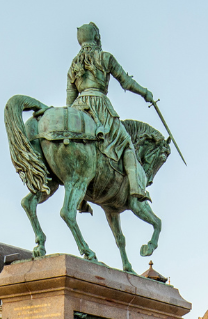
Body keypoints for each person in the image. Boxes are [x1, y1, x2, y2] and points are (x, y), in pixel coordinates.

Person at [67, 23, 156, 202]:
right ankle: (137, 189)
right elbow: (126, 82)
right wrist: (145, 92)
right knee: (126, 142)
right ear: (97, 38)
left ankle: (80, 198)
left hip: (78, 108)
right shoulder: (105, 57)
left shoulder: (74, 65)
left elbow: (70, 98)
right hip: (100, 107)